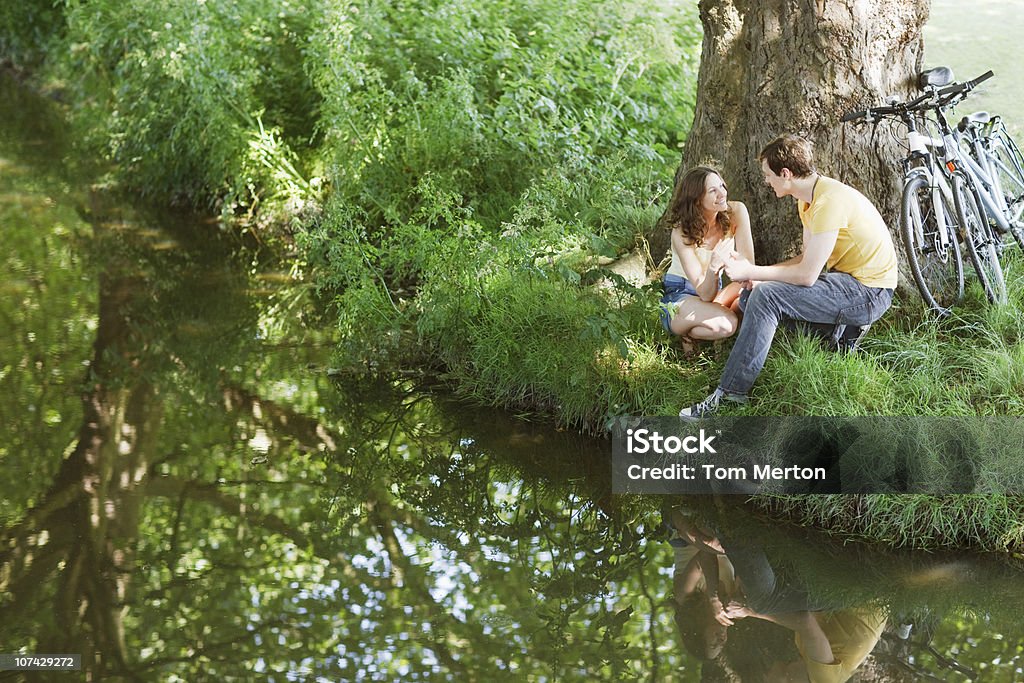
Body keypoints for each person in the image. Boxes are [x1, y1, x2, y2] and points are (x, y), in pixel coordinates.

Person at [679, 135, 897, 419]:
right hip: (845, 283)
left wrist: (752, 273)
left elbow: (807, 275)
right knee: (750, 297)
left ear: (786, 174)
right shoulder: (807, 199)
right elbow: (806, 259)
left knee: (766, 297)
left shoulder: (828, 202)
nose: (767, 182)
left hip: (868, 293)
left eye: (769, 175)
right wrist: (759, 279)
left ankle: (731, 395)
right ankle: (839, 334)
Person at [660, 166, 755, 350]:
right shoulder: (682, 231)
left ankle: (696, 331)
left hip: (712, 293)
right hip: (681, 294)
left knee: (752, 290)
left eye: (722, 186)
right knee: (727, 324)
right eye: (713, 191)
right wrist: (713, 267)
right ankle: (687, 334)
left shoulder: (736, 211)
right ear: (697, 201)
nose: (722, 194)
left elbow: (748, 265)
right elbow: (704, 291)